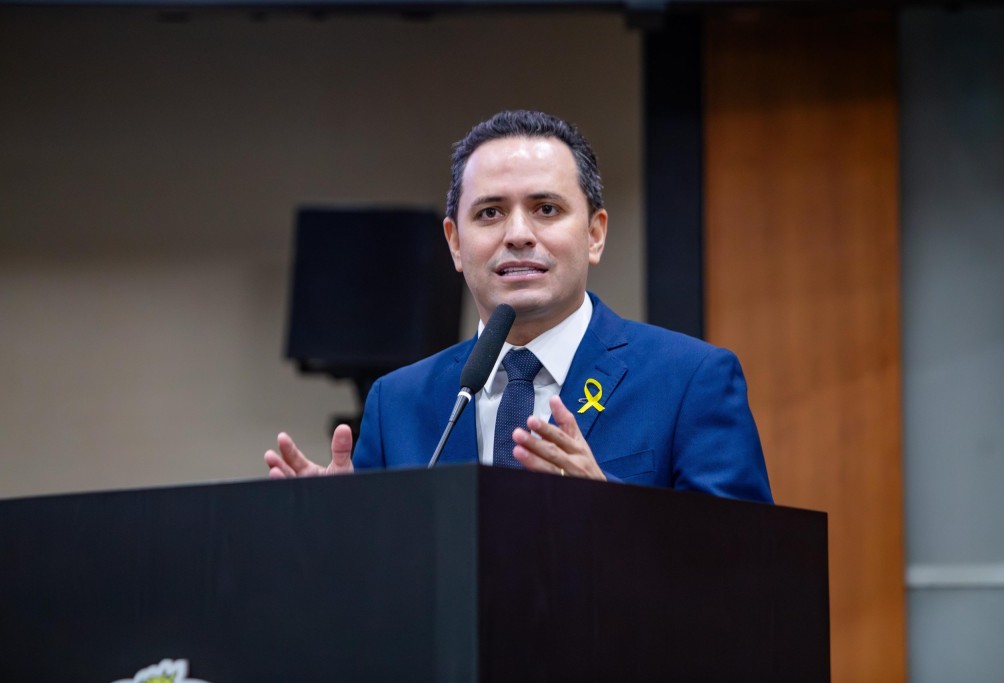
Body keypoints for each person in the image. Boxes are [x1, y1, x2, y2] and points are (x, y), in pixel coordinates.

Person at [265, 110, 772, 503]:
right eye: (490, 213)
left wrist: (612, 508)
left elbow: (745, 571)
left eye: (546, 209)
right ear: (455, 244)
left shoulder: (690, 381)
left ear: (595, 234)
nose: (518, 235)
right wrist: (336, 532)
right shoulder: (397, 404)